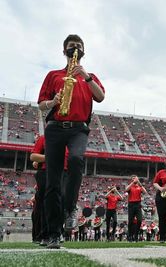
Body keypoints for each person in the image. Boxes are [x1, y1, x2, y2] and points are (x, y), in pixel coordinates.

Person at [37, 34, 105, 249]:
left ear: (83, 51)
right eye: (71, 45)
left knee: (76, 160)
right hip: (56, 127)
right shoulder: (53, 75)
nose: (74, 48)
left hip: (78, 129)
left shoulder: (90, 75)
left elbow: (101, 96)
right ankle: (53, 233)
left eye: (78, 46)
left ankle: (70, 208)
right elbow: (40, 104)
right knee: (52, 183)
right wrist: (53, 101)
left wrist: (86, 77)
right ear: (64, 50)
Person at [126, 176, 148, 242]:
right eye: (133, 178)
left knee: (139, 220)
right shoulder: (130, 186)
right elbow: (126, 189)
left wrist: (139, 183)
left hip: (138, 204)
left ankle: (136, 235)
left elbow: (145, 192)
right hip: (131, 205)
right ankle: (130, 235)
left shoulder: (139, 186)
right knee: (130, 221)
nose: (134, 179)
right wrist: (132, 182)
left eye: (135, 178)